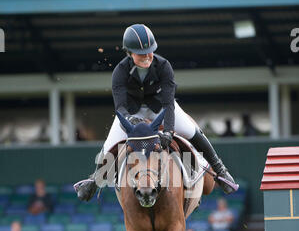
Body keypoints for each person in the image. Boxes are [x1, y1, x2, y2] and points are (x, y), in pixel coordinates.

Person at [74, 24, 237, 201]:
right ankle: (93, 181)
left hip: (161, 109)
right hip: (131, 114)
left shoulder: (164, 66)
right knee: (109, 146)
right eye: (141, 53)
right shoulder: (119, 72)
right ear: (129, 53)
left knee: (192, 131)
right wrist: (132, 123)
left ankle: (221, 172)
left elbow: (168, 104)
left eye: (150, 51)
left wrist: (168, 131)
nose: (147, 56)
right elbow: (120, 108)